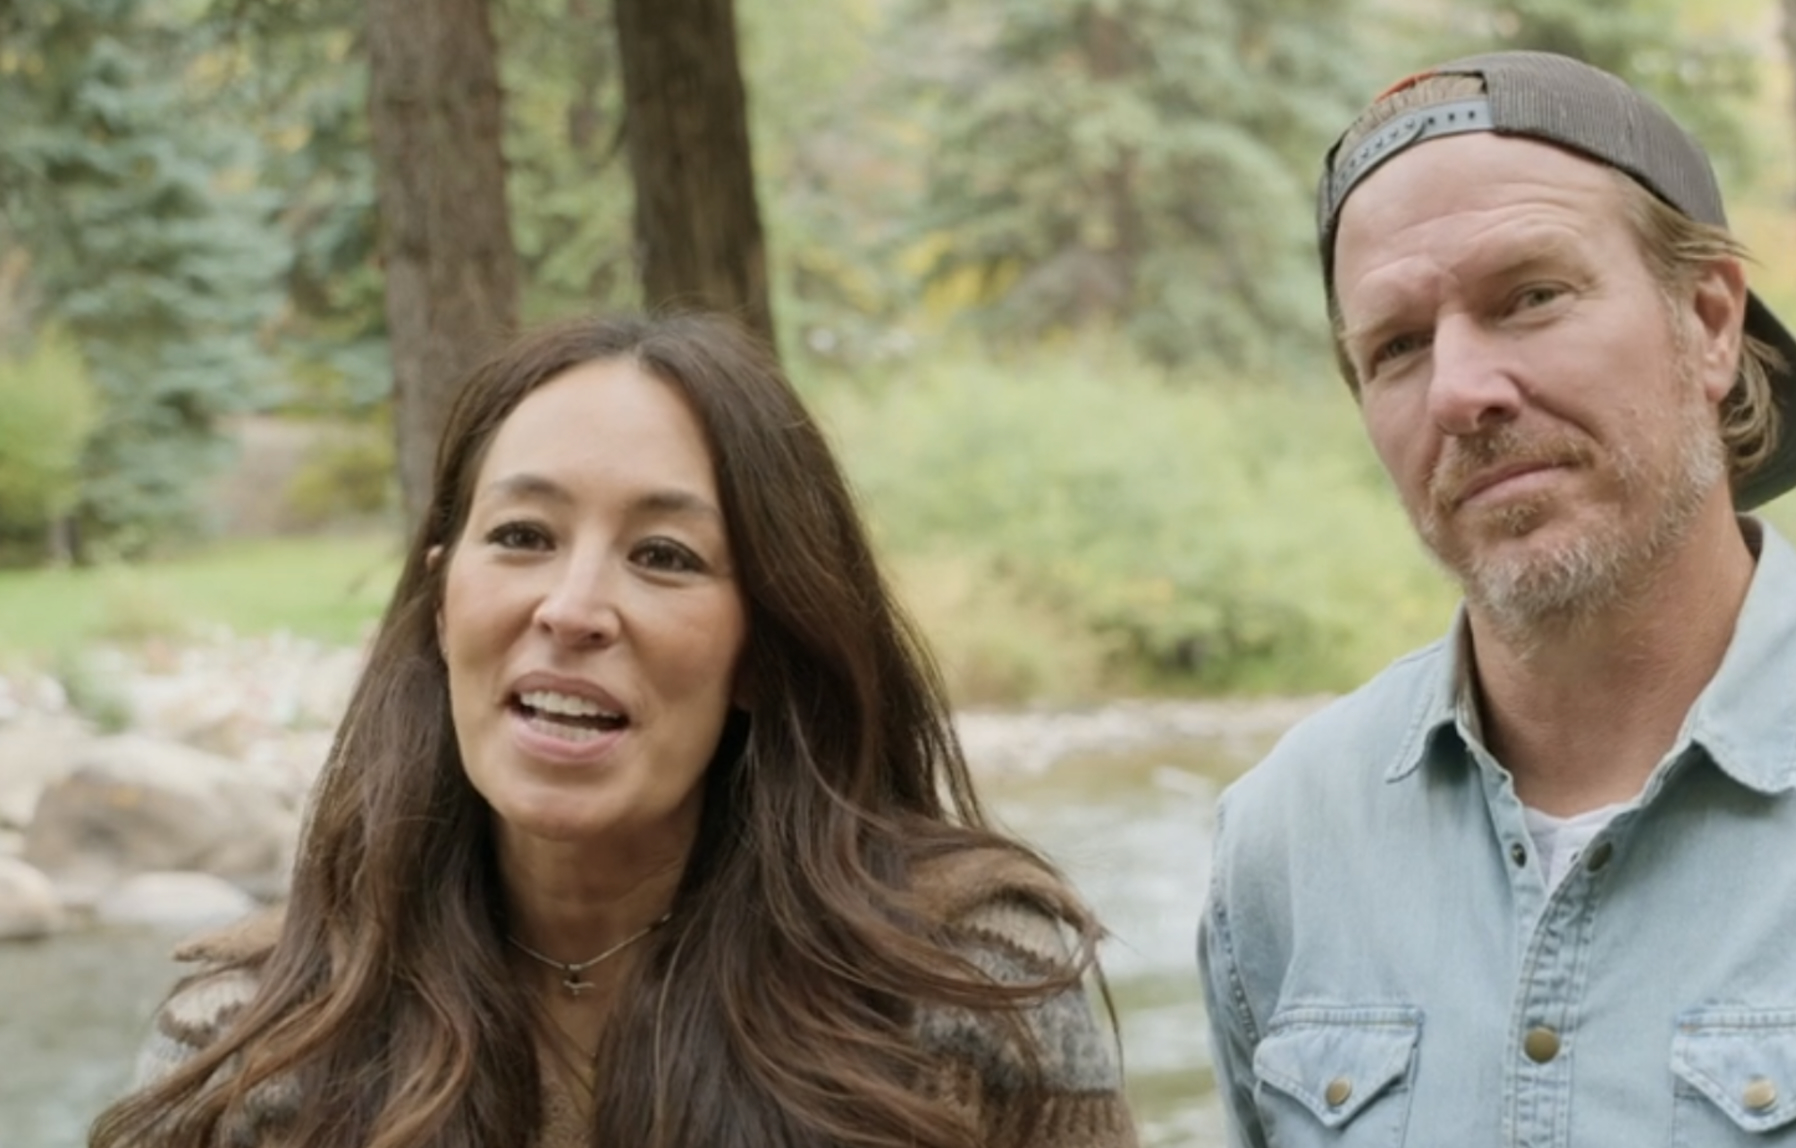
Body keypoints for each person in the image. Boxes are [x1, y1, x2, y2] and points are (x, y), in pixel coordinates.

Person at [1198, 49, 1796, 1146]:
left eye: (1532, 296)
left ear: (1710, 322)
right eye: (1397, 347)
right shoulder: (1281, 843)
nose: (1460, 392)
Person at [91, 312, 1137, 1148]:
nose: (572, 607)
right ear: (443, 602)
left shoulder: (965, 984)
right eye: (522, 535)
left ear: (764, 648)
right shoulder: (244, 1040)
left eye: (664, 556)